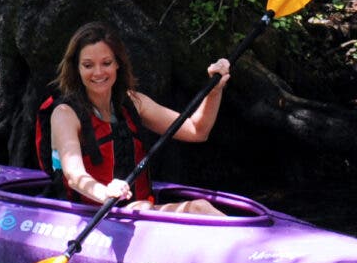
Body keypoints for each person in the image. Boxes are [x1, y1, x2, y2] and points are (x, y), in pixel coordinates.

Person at [38, 22, 231, 216]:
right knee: (195, 208)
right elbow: (74, 175)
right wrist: (105, 193)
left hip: (136, 212)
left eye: (106, 63)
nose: (98, 72)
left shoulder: (132, 103)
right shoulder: (65, 114)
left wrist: (214, 90)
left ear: (117, 64)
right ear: (77, 68)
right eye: (88, 65)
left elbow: (197, 130)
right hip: (92, 215)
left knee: (200, 208)